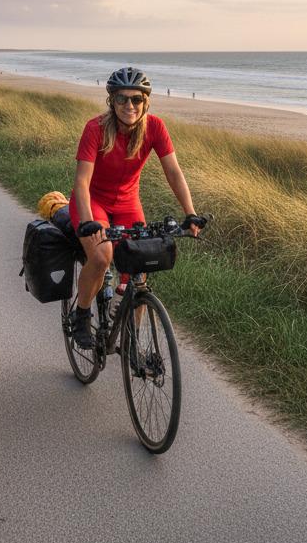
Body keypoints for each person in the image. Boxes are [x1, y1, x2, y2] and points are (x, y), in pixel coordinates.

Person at [67, 67, 205, 348]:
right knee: (103, 254)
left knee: (140, 271)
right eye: (122, 99)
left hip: (128, 202)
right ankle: (81, 315)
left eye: (136, 99)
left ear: (146, 102)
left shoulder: (155, 127)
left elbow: (174, 173)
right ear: (112, 102)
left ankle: (132, 341)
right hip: (93, 202)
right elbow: (82, 181)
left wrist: (190, 212)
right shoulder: (95, 129)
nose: (129, 105)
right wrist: (87, 220)